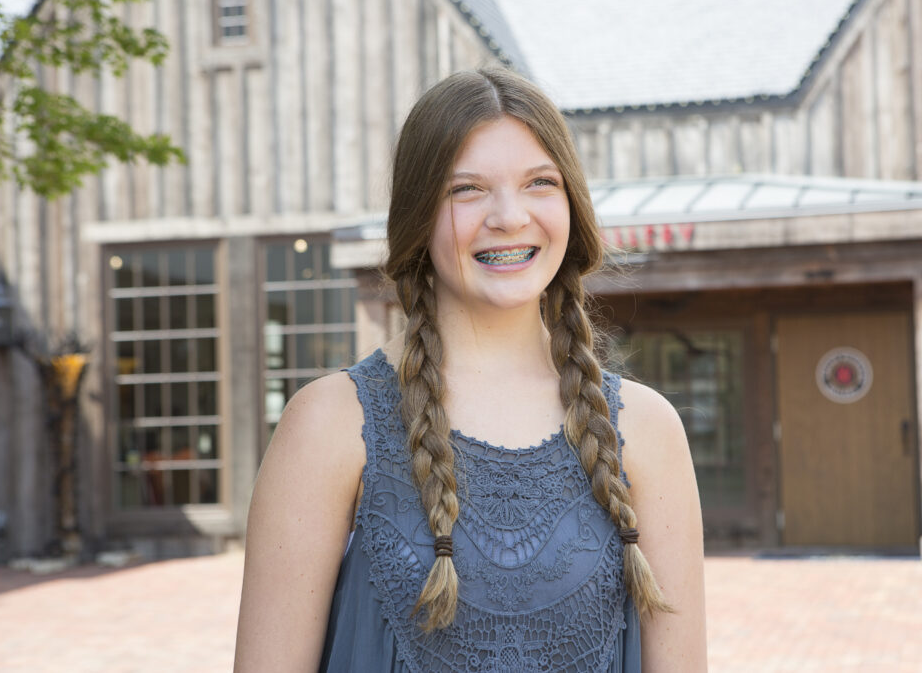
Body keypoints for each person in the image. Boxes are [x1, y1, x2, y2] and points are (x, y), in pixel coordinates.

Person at [234, 68, 706, 672]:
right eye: (467, 189)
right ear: (417, 216)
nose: (509, 216)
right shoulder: (329, 423)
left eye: (540, 182)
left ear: (572, 206)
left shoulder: (647, 428)